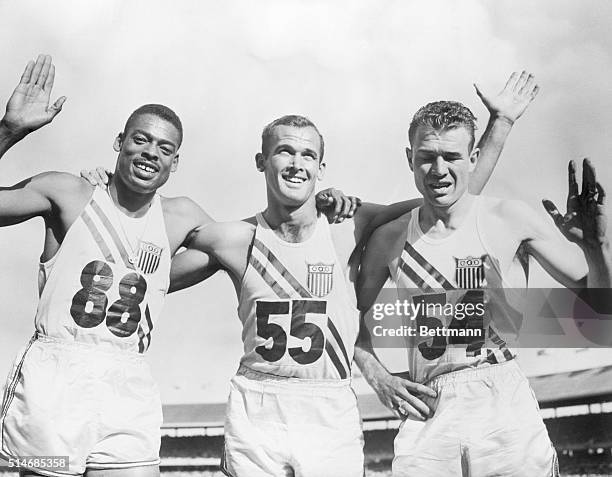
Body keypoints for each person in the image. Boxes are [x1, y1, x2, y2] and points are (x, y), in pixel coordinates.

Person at [163, 71, 538, 476]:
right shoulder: (236, 238)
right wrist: (115, 193)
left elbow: (451, 195)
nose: (295, 164)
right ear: (261, 161)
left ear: (321, 167)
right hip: (259, 400)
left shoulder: (349, 225)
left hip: (328, 401)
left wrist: (500, 125)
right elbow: (144, 272)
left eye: (307, 155)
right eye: (284, 152)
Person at [356, 99, 610, 476]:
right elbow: (347, 323)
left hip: (502, 401)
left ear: (473, 158)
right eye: (426, 156)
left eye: (452, 157)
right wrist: (379, 377)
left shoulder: (507, 218)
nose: (439, 170)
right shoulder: (388, 239)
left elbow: (599, 310)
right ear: (409, 157)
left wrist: (595, 248)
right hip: (430, 406)